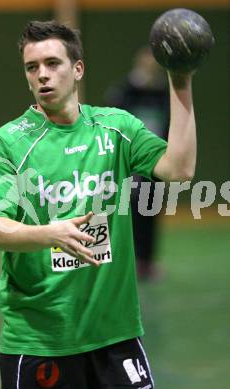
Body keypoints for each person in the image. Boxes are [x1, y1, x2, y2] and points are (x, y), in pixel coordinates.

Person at [0, 20, 196, 389]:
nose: (42, 75)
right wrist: (49, 233)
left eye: (53, 63)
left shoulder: (116, 128)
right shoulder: (10, 141)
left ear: (78, 69)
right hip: (41, 342)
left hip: (115, 335)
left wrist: (181, 81)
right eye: (32, 67)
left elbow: (180, 168)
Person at [105, 46, 169, 281]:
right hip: (130, 162)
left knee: (151, 210)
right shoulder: (125, 92)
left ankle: (147, 262)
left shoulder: (164, 93)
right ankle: (124, 259)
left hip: (157, 161)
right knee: (127, 211)